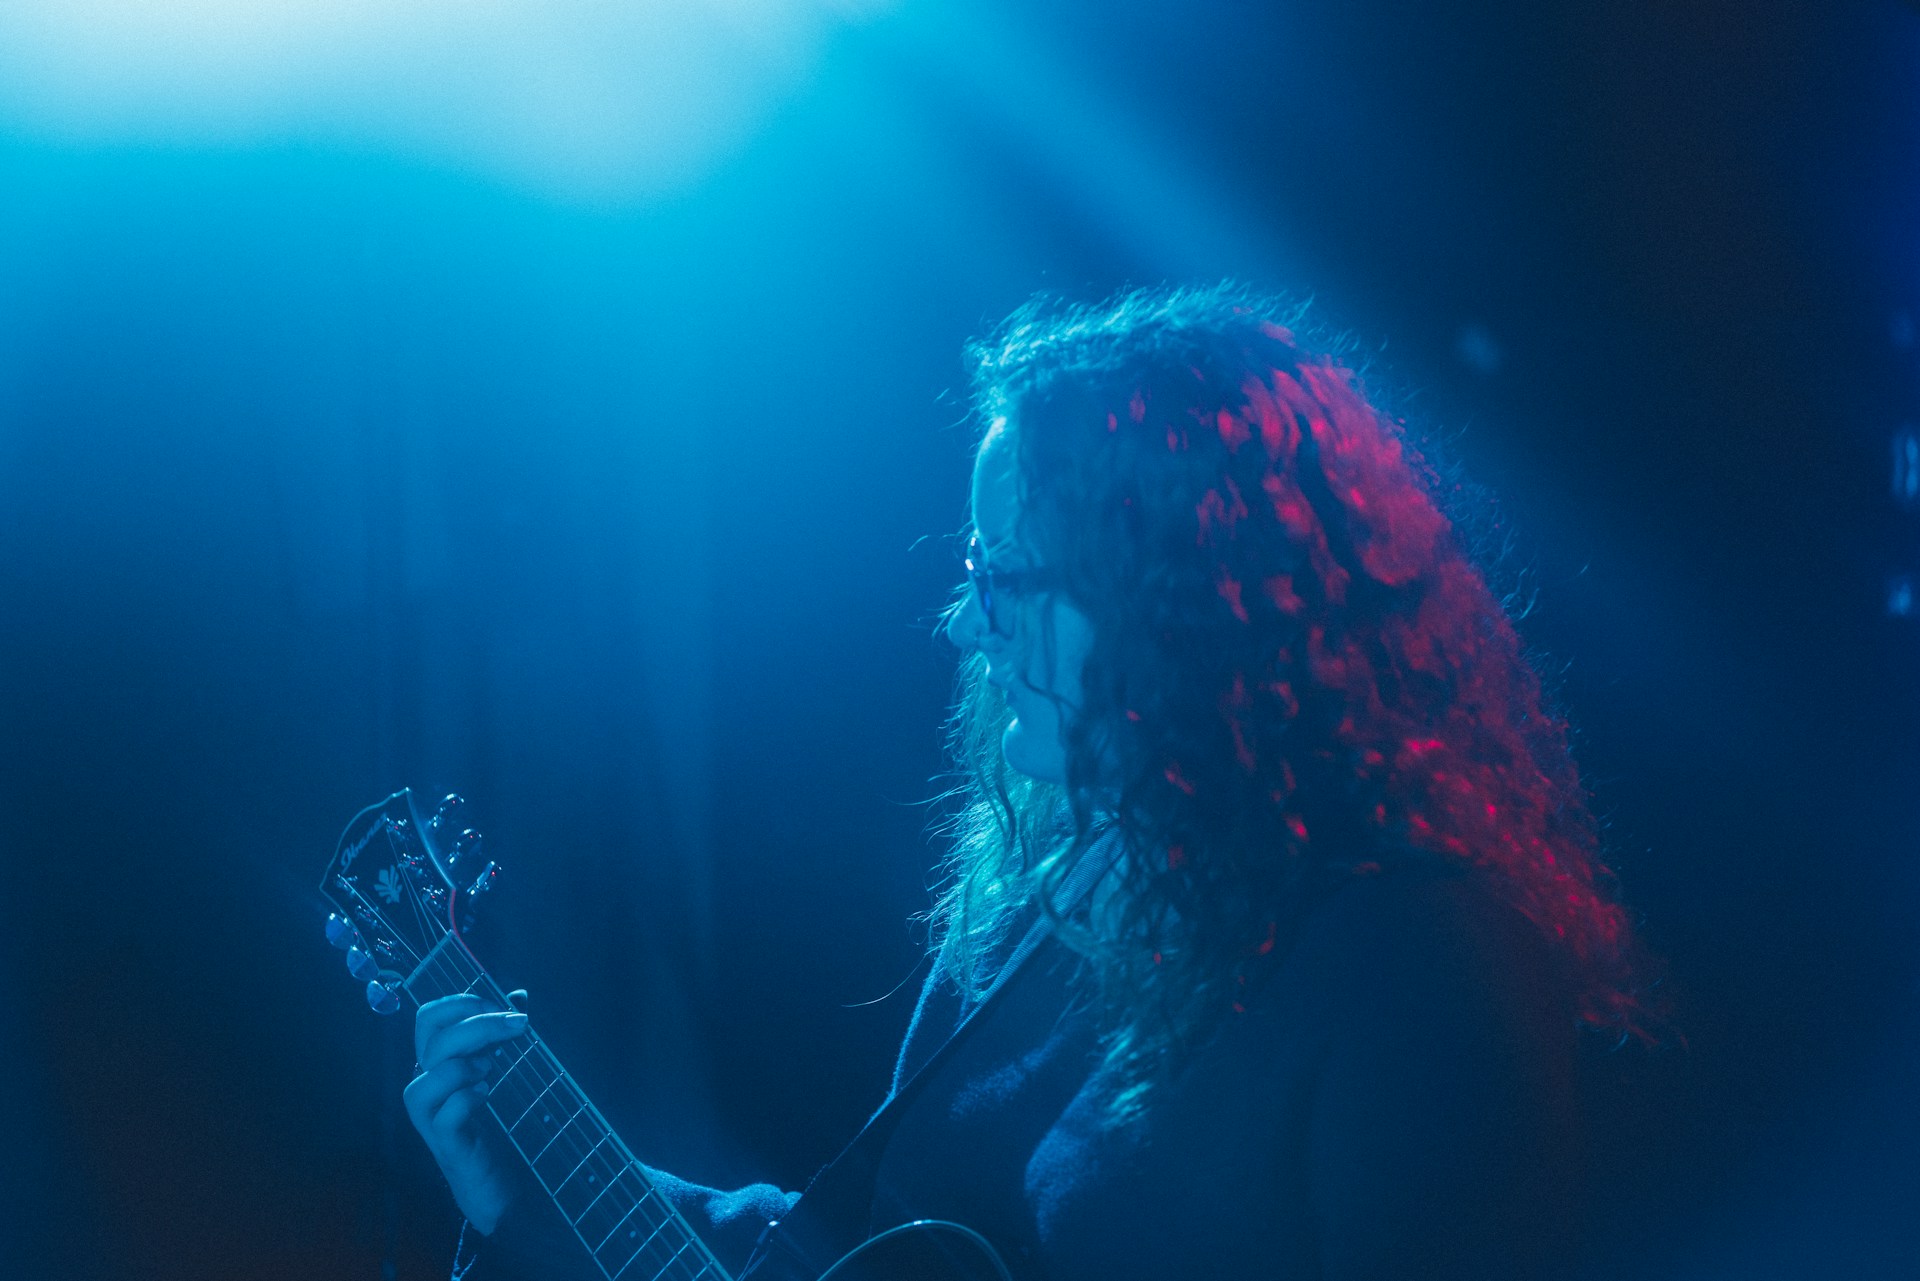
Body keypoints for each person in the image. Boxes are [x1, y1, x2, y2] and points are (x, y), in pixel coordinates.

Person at [404, 285, 1653, 1280]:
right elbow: (862, 1247)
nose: (964, 628)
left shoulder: (1419, 975)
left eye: (1007, 575)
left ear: (1181, 610)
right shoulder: (1040, 899)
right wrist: (537, 1196)